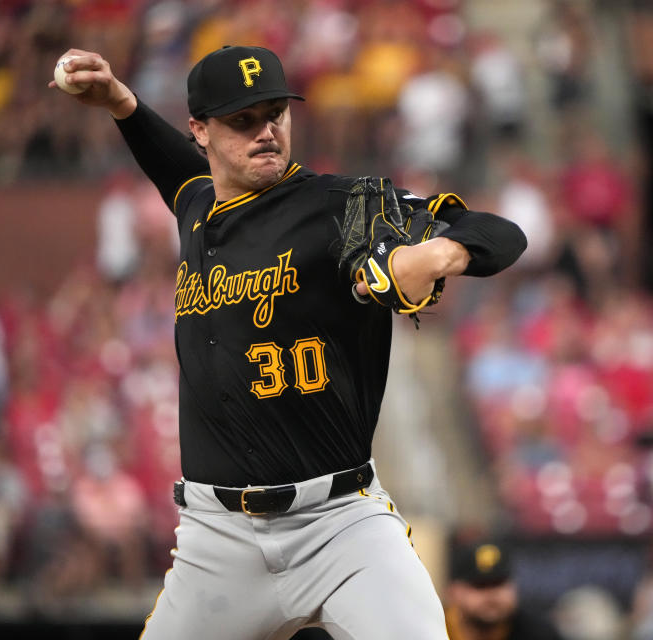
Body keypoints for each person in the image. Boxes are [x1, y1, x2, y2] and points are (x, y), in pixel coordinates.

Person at [50, 44, 526, 639]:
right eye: (242, 120)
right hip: (216, 541)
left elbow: (503, 233)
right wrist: (122, 104)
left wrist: (437, 252)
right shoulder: (197, 204)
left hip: (341, 526)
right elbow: (173, 166)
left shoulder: (340, 206)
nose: (266, 131)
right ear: (200, 129)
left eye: (276, 112)